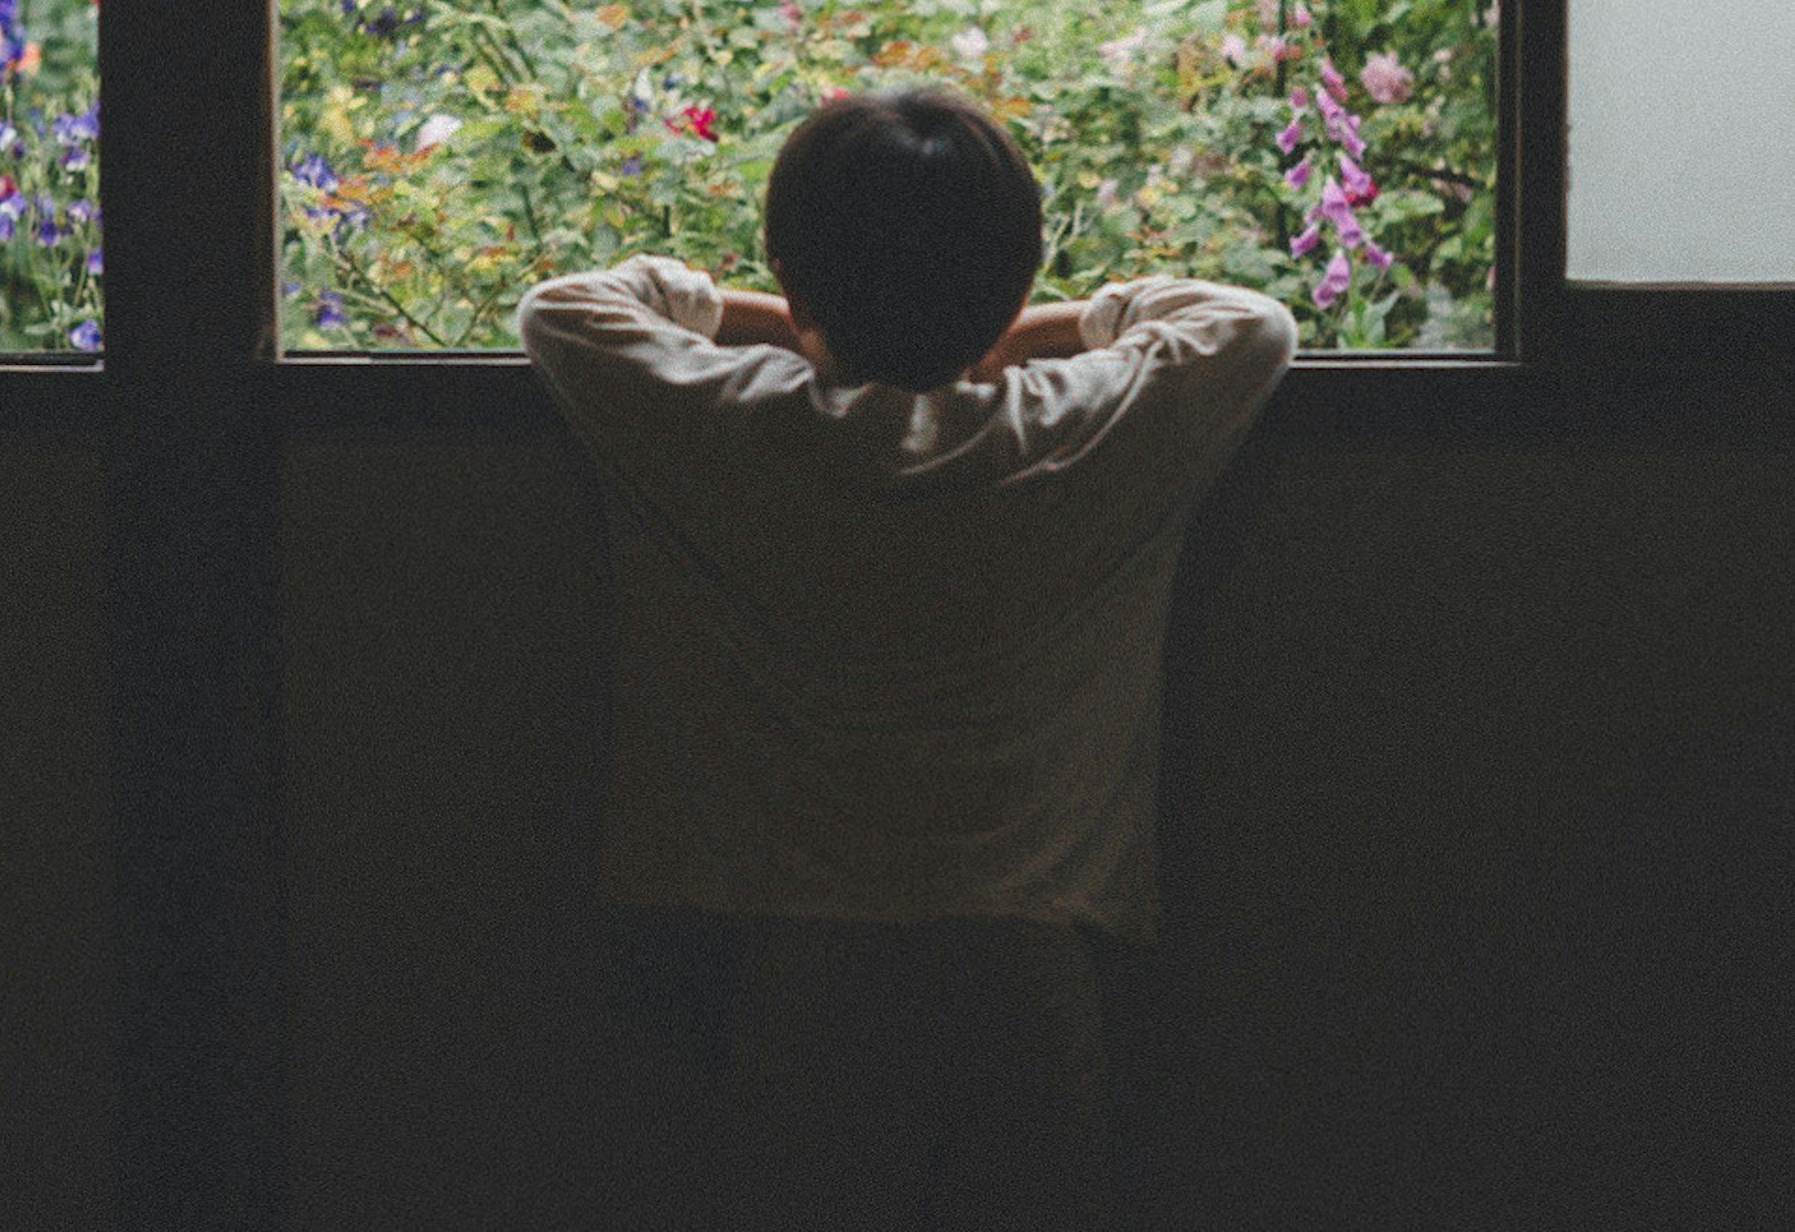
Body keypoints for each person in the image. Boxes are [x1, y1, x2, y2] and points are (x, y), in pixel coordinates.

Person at [516, 86, 1298, 1232]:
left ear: (794, 282)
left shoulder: (736, 418)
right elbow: (1249, 324)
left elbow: (567, 309)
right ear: (1018, 284)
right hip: (1031, 953)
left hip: (793, 943)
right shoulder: (1075, 427)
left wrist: (806, 325)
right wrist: (1004, 336)